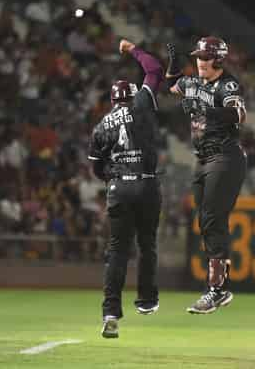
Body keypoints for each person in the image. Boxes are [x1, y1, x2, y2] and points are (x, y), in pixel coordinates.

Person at [166, 36, 247, 314]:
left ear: (219, 59)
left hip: (225, 156)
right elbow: (174, 86)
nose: (200, 61)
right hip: (204, 159)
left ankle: (216, 289)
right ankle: (219, 288)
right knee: (207, 221)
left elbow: (238, 114)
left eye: (205, 57)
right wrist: (173, 66)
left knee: (212, 218)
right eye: (198, 56)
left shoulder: (228, 84)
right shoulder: (194, 82)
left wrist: (205, 110)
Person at [88, 39, 163, 338]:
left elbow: (95, 167)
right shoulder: (142, 104)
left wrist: (112, 177)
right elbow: (154, 69)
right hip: (146, 184)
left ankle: (110, 311)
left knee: (117, 251)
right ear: (133, 95)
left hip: (119, 188)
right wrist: (132, 49)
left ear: (111, 101)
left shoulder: (101, 125)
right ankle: (146, 301)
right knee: (147, 244)